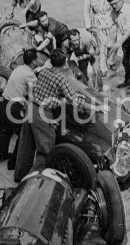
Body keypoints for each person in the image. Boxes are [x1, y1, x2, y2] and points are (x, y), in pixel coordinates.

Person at [14, 48, 108, 181]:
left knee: (26, 147)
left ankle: (19, 177)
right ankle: (35, 182)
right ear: (65, 63)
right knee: (46, 151)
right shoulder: (61, 79)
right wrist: (97, 106)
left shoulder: (43, 71)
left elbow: (48, 90)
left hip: (31, 109)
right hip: (42, 114)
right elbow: (75, 101)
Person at [0, 48, 38, 168]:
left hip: (4, 101)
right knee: (23, 134)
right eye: (37, 58)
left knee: (5, 131)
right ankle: (13, 162)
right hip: (14, 107)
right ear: (34, 61)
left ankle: (0, 154)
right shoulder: (30, 75)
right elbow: (32, 96)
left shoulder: (19, 68)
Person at [83, 0, 117, 76]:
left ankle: (112, 61)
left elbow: (117, 6)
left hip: (110, 19)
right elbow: (86, 11)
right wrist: (88, 26)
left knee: (112, 43)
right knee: (102, 45)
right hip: (98, 22)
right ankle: (103, 68)